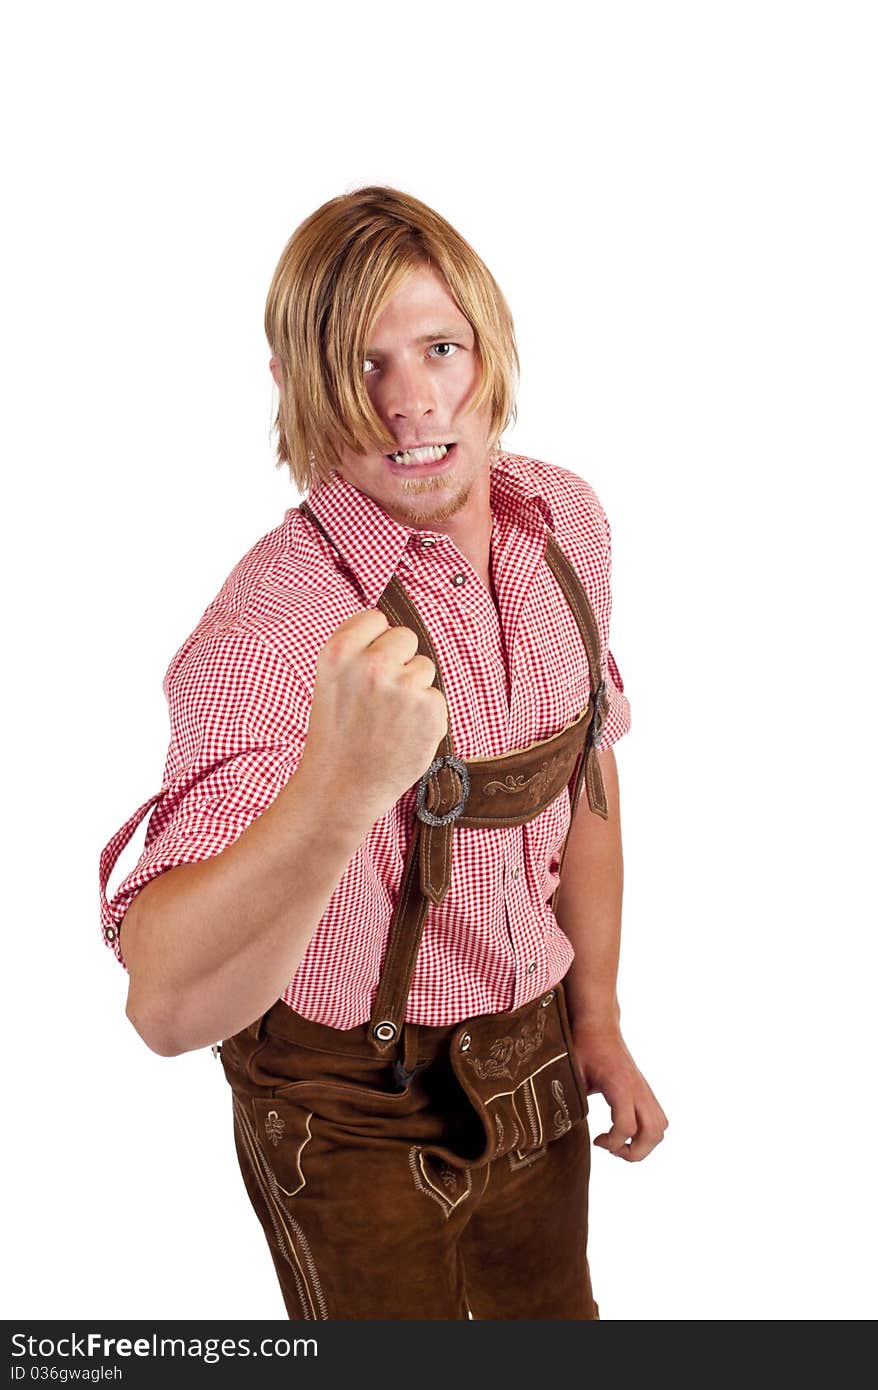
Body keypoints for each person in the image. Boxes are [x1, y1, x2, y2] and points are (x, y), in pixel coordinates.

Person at [98, 185, 668, 1321]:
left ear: (489, 349)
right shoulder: (274, 631)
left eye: (438, 349)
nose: (411, 406)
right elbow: (162, 1005)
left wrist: (594, 1015)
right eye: (362, 367)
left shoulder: (564, 527)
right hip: (344, 1096)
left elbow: (586, 774)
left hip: (528, 1052)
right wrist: (339, 788)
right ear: (295, 387)